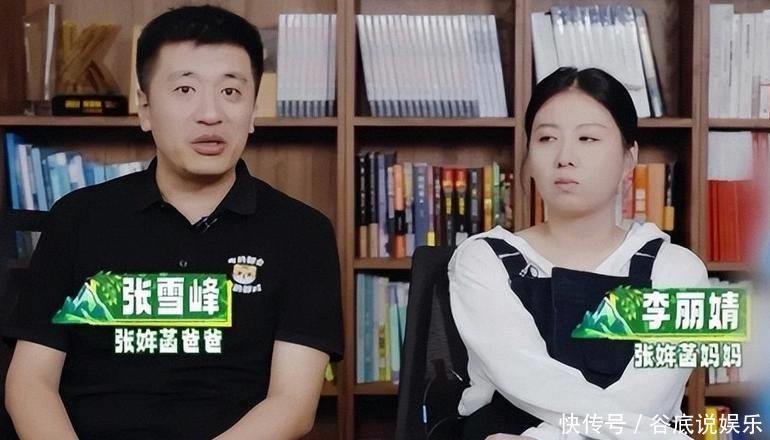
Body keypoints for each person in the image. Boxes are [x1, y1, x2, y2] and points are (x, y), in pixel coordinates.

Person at [3, 5, 342, 439]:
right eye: (185, 89)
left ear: (253, 110)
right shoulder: (78, 218)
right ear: (145, 108)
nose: (210, 113)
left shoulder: (302, 233)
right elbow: (30, 382)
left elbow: (292, 404)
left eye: (231, 91)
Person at [448, 67, 709, 440]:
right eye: (547, 138)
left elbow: (647, 398)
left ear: (629, 158)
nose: (565, 157)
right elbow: (528, 378)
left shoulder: (679, 271)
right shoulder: (483, 259)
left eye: (588, 138)